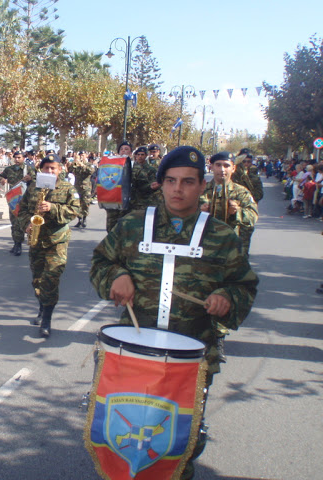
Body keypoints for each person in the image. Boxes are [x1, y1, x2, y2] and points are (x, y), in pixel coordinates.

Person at [90, 146, 258, 480]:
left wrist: (227, 296)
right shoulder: (133, 226)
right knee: (124, 437)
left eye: (187, 182)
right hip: (134, 354)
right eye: (170, 181)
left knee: (178, 443)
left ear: (201, 186)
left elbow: (245, 285)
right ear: (161, 183)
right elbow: (101, 262)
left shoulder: (222, 237)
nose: (177, 189)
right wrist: (116, 276)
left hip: (192, 358)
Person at [17, 153, 80, 337]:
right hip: (37, 240)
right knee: (37, 279)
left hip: (57, 240)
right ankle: (42, 306)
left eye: (53, 168)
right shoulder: (33, 187)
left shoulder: (68, 188)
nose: (50, 171)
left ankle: (47, 318)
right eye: (46, 168)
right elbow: (22, 210)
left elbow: (76, 210)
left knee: (51, 279)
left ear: (60, 170)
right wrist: (26, 225)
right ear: (41, 169)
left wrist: (53, 208)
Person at [200, 151, 258, 255]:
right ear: (211, 167)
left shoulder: (241, 192)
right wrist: (198, 212)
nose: (222, 169)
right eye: (218, 165)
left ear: (233, 168)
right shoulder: (200, 190)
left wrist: (236, 213)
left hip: (231, 247)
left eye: (226, 166)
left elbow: (252, 216)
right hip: (204, 247)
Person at [0, 151, 34, 255]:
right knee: (14, 222)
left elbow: (38, 180)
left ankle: (23, 244)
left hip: (26, 199)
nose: (17, 160)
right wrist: (2, 179)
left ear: (23, 158)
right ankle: (17, 243)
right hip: (14, 199)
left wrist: (31, 178)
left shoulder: (29, 169)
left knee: (23, 222)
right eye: (15, 158)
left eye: (19, 158)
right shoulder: (9, 169)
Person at [104, 141, 133, 233]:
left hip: (130, 202)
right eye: (121, 149)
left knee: (126, 230)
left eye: (126, 149)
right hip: (114, 201)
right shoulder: (111, 165)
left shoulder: (135, 166)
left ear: (131, 152)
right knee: (111, 228)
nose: (123, 151)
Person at [129, 145, 161, 212]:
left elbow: (152, 185)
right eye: (138, 154)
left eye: (142, 155)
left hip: (144, 201)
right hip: (131, 201)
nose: (140, 156)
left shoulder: (150, 170)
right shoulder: (130, 168)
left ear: (146, 155)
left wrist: (150, 187)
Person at [67, 154, 95, 228]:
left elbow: (91, 171)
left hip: (86, 188)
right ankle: (79, 219)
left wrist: (83, 165)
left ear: (86, 156)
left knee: (85, 203)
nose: (81, 157)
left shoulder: (89, 164)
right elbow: (69, 170)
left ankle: (84, 218)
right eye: (80, 156)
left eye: (83, 155)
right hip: (77, 188)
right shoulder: (76, 165)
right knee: (77, 204)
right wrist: (73, 163)